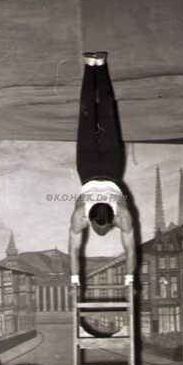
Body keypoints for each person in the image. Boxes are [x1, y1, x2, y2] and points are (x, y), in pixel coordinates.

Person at [69, 53, 136, 287]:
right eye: (103, 228)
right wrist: (129, 280)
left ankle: (91, 67)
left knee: (87, 115)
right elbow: (130, 250)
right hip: (110, 167)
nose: (101, 232)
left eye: (101, 228)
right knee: (106, 114)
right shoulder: (123, 216)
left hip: (88, 168)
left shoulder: (79, 216)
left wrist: (74, 280)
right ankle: (101, 66)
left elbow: (74, 250)